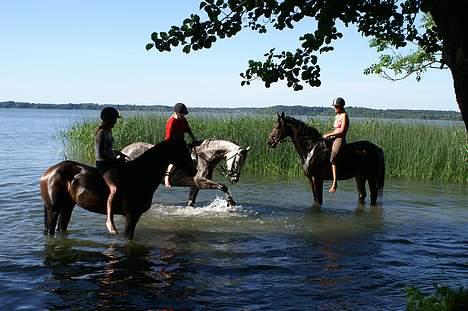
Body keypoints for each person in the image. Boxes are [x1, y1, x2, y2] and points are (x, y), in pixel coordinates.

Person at [95, 106, 126, 235]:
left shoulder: (109, 131)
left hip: (111, 161)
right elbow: (101, 153)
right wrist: (115, 160)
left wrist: (118, 153)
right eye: (114, 119)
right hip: (103, 164)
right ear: (109, 119)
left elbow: (109, 149)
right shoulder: (101, 133)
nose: (116, 122)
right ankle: (109, 220)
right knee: (114, 189)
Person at [164, 102, 196, 188]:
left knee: (193, 155)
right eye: (182, 114)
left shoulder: (183, 119)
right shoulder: (171, 123)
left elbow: (188, 130)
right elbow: (168, 138)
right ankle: (167, 178)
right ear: (176, 113)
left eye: (184, 114)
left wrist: (194, 139)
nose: (183, 116)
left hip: (181, 142)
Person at [322, 97, 349, 193]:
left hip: (340, 138)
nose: (334, 108)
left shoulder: (344, 116)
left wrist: (330, 134)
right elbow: (335, 130)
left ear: (340, 106)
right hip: (334, 137)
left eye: (336, 106)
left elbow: (342, 131)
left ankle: (334, 183)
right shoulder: (337, 116)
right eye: (334, 106)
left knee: (333, 158)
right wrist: (328, 134)